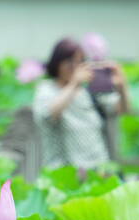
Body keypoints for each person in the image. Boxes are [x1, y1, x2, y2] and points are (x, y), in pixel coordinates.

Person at [32, 38, 129, 171]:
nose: (75, 67)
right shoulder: (46, 89)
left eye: (80, 61)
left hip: (99, 167)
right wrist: (74, 83)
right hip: (64, 171)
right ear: (57, 63)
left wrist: (122, 87)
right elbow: (48, 114)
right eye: (69, 61)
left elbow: (122, 110)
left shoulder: (88, 91)